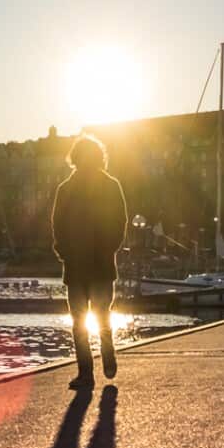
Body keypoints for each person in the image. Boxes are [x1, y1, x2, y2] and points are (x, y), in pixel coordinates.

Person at [52, 135, 127, 390]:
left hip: (89, 264)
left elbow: (119, 222)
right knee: (88, 319)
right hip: (86, 264)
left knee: (85, 320)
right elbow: (58, 225)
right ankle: (89, 370)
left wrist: (65, 251)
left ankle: (96, 364)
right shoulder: (69, 188)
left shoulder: (104, 186)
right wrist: (64, 251)